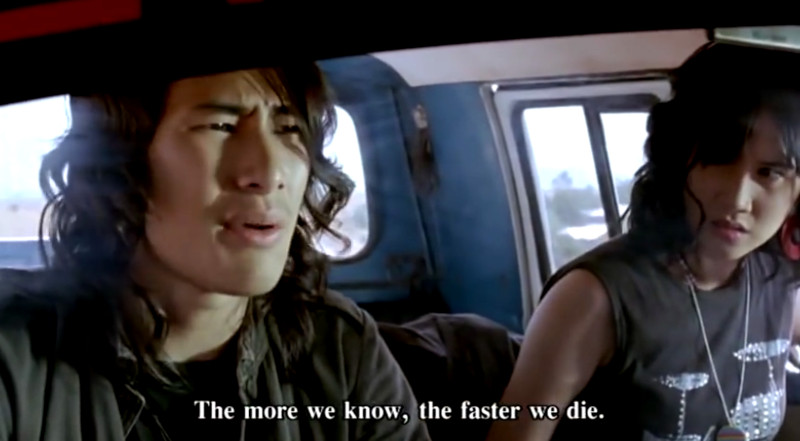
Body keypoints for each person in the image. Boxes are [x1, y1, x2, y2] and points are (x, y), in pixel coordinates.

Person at [0, 63, 430, 441]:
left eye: (288, 129)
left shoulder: (339, 347)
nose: (269, 173)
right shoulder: (15, 357)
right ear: (121, 161)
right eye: (220, 126)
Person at [485, 42, 800, 441]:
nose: (738, 199)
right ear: (679, 160)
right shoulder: (592, 299)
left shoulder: (778, 283)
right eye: (718, 158)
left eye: (770, 172)